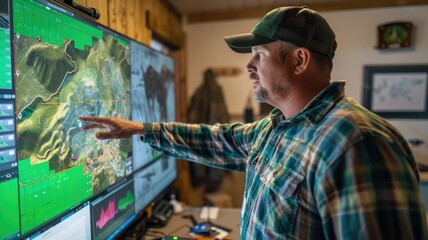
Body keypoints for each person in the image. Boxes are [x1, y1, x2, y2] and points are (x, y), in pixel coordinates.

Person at [80, 6, 428, 239]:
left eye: (259, 55)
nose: (250, 67)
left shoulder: (357, 142)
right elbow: (219, 140)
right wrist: (140, 129)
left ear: (299, 60)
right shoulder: (279, 126)